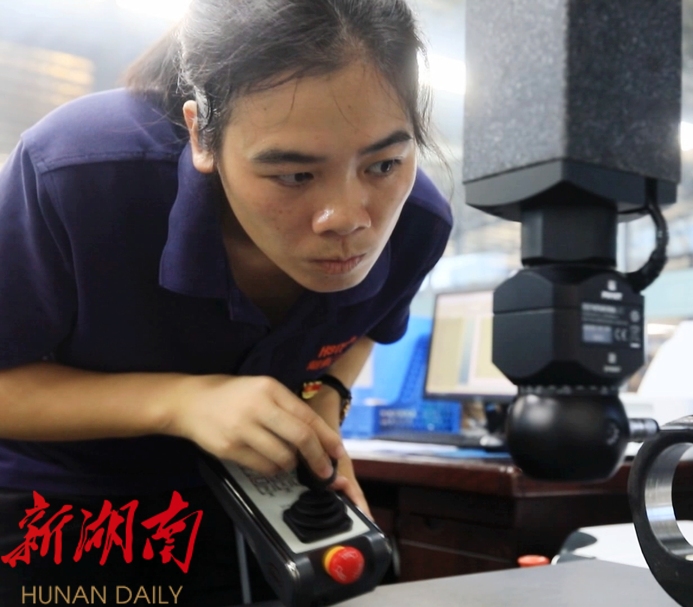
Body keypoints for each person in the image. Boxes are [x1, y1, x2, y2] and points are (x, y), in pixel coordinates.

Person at [0, 0, 451, 604]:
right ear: (201, 134)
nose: (347, 219)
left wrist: (326, 396)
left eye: (385, 163)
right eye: (294, 175)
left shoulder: (418, 224)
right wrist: (181, 402)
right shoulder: (78, 175)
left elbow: (367, 324)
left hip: (252, 503)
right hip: (59, 507)